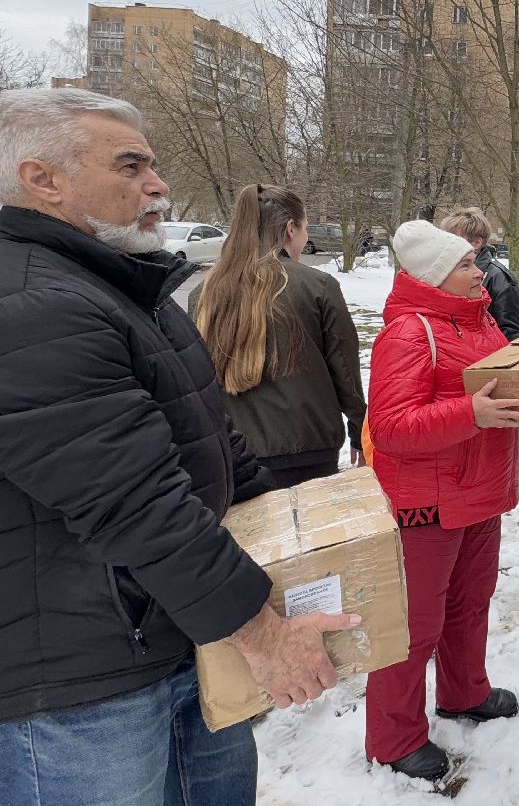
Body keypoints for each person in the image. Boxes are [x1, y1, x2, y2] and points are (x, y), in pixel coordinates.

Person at [0, 88, 356, 806]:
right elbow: (135, 503)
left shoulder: (126, 289)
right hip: (83, 688)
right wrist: (262, 635)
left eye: (153, 166)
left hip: (181, 637)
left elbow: (214, 438)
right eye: (131, 167)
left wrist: (298, 528)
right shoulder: (31, 302)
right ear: (43, 179)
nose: (158, 185)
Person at [363, 220, 519, 784]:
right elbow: (390, 427)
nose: (479, 270)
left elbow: (508, 383)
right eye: (465, 264)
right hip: (427, 503)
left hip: (480, 491)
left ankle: (464, 691)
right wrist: (468, 414)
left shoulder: (476, 319)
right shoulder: (409, 333)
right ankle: (395, 737)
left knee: (469, 602)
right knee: (413, 626)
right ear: (436, 275)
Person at [190, 184, 367, 488]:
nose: (306, 237)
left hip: (233, 456)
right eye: (305, 229)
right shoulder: (317, 286)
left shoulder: (203, 293)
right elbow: (346, 371)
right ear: (290, 229)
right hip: (306, 449)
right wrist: (360, 432)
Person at [439, 207, 519, 341]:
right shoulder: (445, 272)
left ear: (477, 243)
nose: (449, 244)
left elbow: (511, 337)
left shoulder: (500, 279)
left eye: (455, 238)